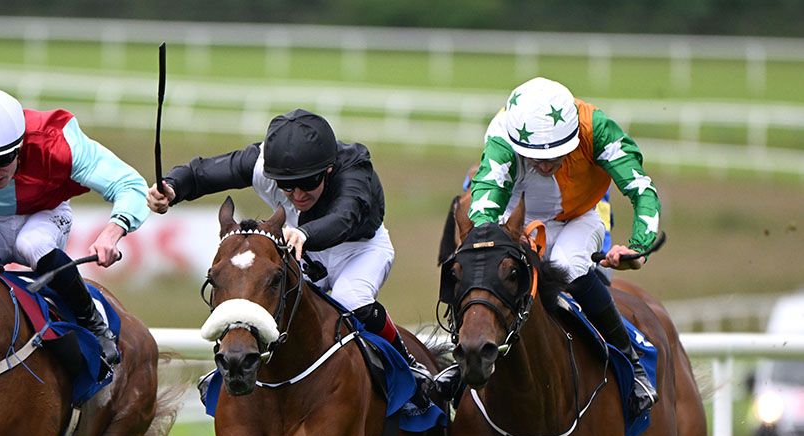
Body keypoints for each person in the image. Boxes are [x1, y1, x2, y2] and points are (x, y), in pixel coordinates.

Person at [147, 108, 425, 374]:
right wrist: (172, 187)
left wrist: (306, 233)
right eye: (287, 186)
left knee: (349, 300)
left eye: (308, 183)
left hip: (358, 251)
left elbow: (345, 216)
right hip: (300, 247)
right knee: (271, 301)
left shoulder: (354, 171)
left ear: (328, 170)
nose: (297, 194)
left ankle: (409, 365)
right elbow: (201, 172)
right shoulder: (260, 164)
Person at [460, 76, 661, 413]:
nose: (544, 165)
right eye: (535, 157)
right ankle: (460, 361)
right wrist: (487, 243)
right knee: (477, 264)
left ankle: (630, 359)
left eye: (555, 156)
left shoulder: (596, 128)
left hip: (578, 218)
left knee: (569, 267)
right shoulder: (502, 132)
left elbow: (642, 190)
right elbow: (483, 202)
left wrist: (638, 245)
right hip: (516, 217)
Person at [0, 87, 150, 367]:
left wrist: (112, 233)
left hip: (45, 213)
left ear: (21, 145)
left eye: (2, 160)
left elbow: (130, 185)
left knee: (33, 244)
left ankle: (94, 324)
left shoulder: (57, 143)